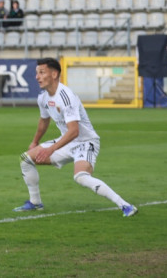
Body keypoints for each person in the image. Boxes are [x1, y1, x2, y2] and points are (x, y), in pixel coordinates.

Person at [14, 58, 137, 217]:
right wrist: (35, 142)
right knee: (26, 159)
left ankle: (125, 205)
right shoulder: (43, 97)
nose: (37, 77)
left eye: (42, 72)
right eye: (36, 73)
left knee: (81, 177)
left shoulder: (66, 96)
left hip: (86, 142)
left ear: (54, 74)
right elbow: (44, 120)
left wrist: (51, 149)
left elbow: (74, 131)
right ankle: (35, 203)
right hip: (66, 142)